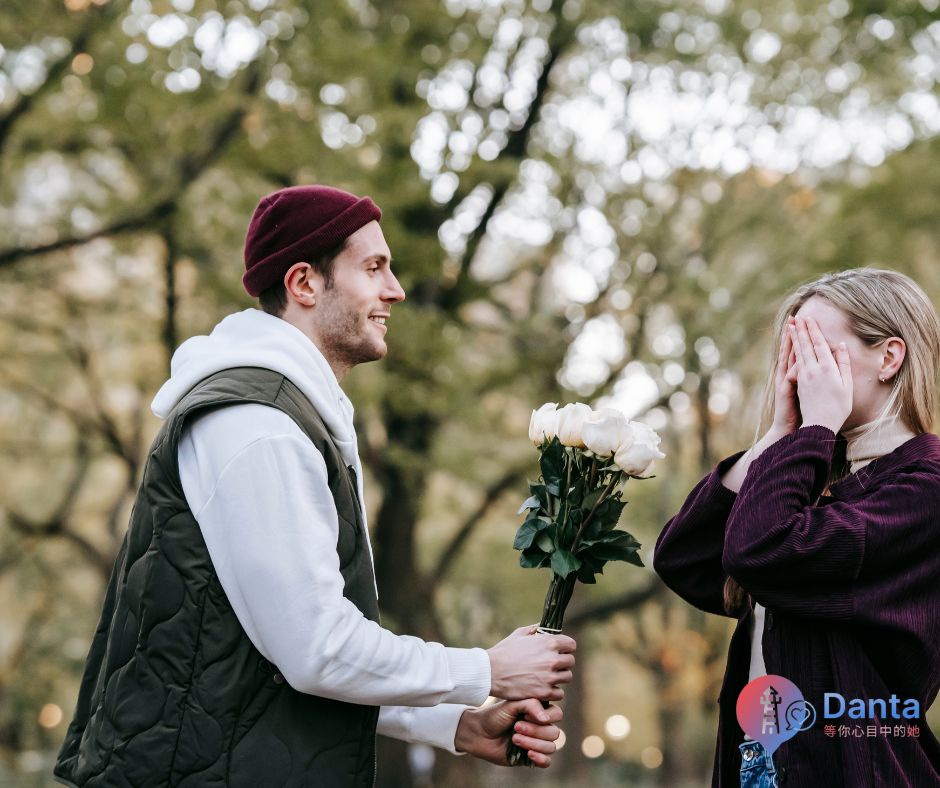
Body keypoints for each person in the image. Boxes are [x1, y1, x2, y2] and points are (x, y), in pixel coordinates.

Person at [55, 185, 576, 787]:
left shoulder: (289, 415)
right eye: (374, 268)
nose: (396, 290)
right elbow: (318, 650)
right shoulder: (259, 426)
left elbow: (271, 662)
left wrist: (454, 726)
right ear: (304, 284)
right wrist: (485, 670)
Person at [653, 268, 940, 787]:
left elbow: (762, 550)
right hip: (760, 764)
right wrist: (777, 437)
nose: (801, 374)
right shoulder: (810, 470)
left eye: (818, 353)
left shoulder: (925, 487)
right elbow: (685, 561)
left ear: (889, 357)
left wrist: (814, 430)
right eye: (793, 355)